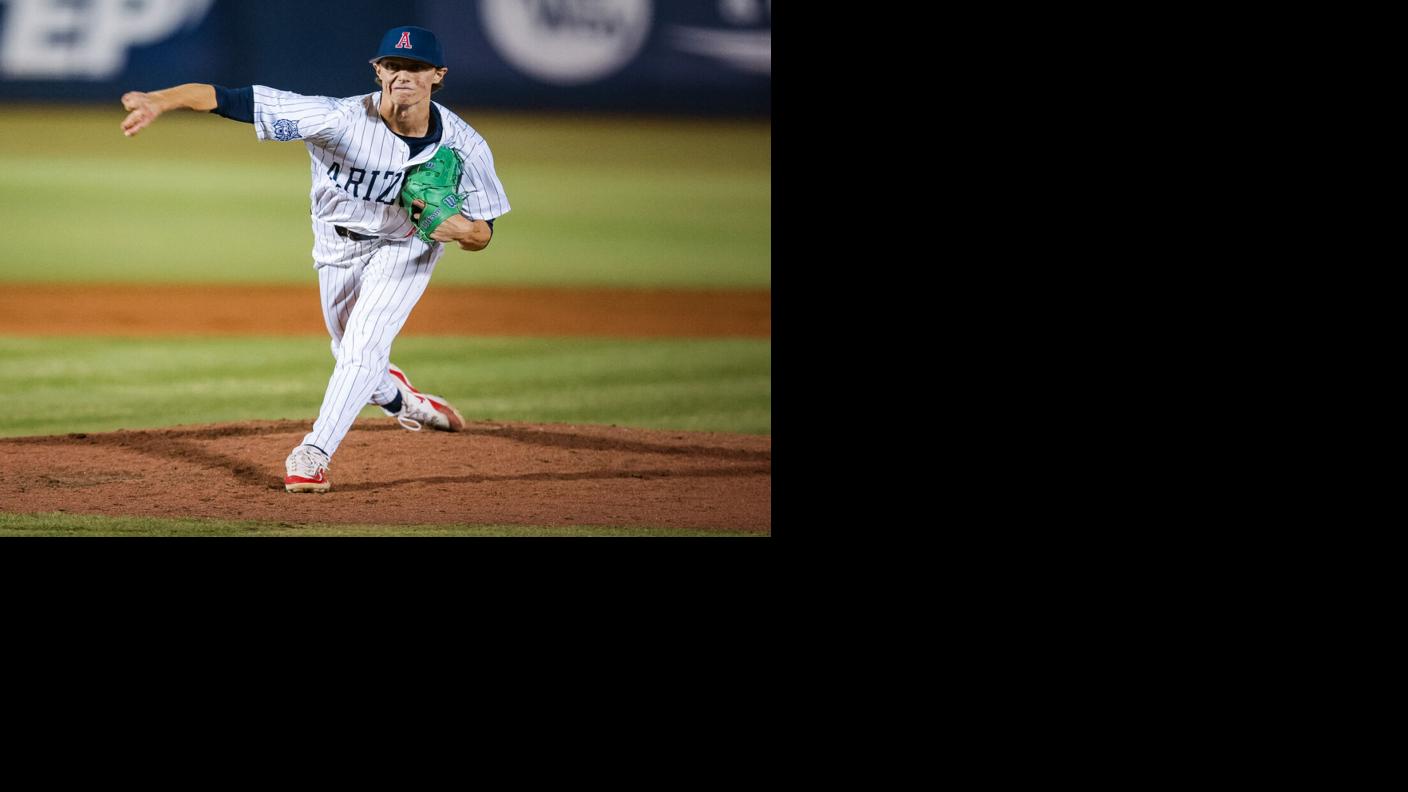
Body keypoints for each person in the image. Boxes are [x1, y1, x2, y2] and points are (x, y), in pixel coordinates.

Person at [119, 25, 510, 494]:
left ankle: (313, 453)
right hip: (335, 245)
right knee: (349, 350)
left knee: (362, 349)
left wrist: (460, 230)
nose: (403, 75)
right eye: (393, 65)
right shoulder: (336, 119)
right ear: (378, 71)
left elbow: (484, 233)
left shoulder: (466, 146)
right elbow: (232, 99)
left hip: (407, 248)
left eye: (416, 67)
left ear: (438, 75)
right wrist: (161, 100)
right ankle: (398, 398)